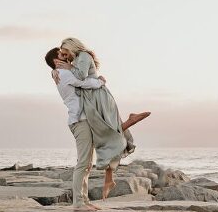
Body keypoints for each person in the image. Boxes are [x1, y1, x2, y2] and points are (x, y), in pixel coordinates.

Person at [56, 37, 150, 200]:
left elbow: (81, 76)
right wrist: (60, 69)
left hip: (98, 97)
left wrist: (68, 67)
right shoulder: (76, 60)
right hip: (91, 98)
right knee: (103, 134)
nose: (65, 57)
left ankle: (128, 123)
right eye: (63, 55)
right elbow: (78, 78)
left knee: (106, 132)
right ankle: (109, 178)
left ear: (72, 48)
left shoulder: (83, 56)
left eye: (66, 53)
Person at [45, 47, 106, 211]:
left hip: (82, 119)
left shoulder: (61, 72)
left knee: (87, 163)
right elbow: (83, 82)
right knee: (83, 162)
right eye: (61, 53)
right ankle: (78, 203)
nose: (65, 54)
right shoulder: (63, 73)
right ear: (56, 60)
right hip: (79, 121)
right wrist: (100, 82)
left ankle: (84, 200)